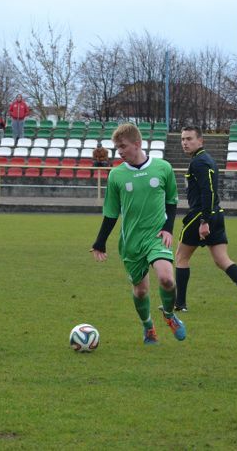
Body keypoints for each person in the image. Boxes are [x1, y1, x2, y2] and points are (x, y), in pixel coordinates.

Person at [90, 123, 186, 345]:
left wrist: (168, 228)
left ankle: (170, 316)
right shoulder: (116, 175)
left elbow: (172, 201)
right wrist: (100, 241)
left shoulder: (163, 168)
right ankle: (148, 326)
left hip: (156, 237)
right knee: (141, 291)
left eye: (123, 146)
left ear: (137, 143)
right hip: (131, 242)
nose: (120, 152)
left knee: (166, 279)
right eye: (117, 148)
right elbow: (111, 213)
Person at [174, 126, 237, 315]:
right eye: (183, 139)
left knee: (181, 258)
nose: (185, 142)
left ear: (200, 141)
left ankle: (179, 304)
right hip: (215, 214)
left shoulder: (200, 162)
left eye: (189, 139)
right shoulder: (206, 160)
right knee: (222, 260)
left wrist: (204, 220)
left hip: (200, 216)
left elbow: (208, 191)